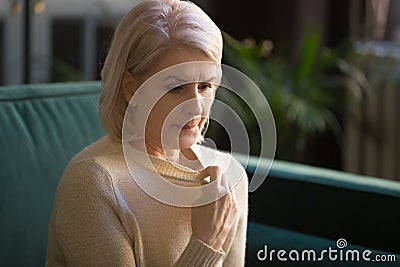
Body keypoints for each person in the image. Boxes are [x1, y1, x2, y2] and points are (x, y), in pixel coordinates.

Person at [45, 0, 248, 266]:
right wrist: (205, 246)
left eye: (206, 86)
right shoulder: (92, 184)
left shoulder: (230, 176)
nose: (197, 106)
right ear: (131, 88)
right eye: (176, 88)